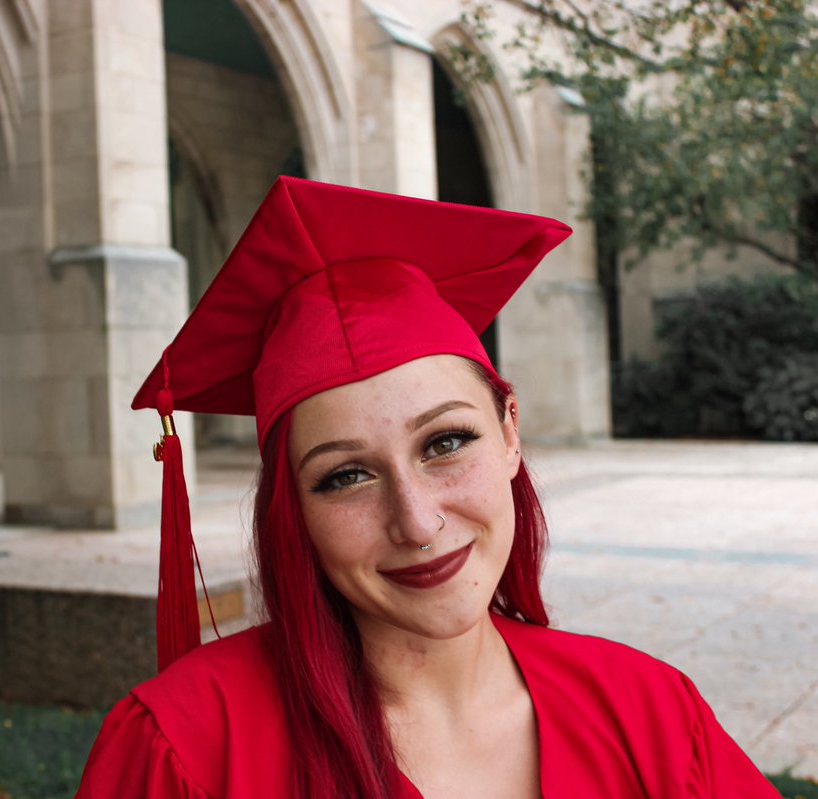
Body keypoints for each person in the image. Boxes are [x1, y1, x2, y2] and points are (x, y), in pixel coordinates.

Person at [75, 177, 779, 798]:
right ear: (291, 509)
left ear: (510, 431)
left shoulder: (648, 712)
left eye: (445, 442)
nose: (415, 522)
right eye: (345, 476)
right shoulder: (188, 748)